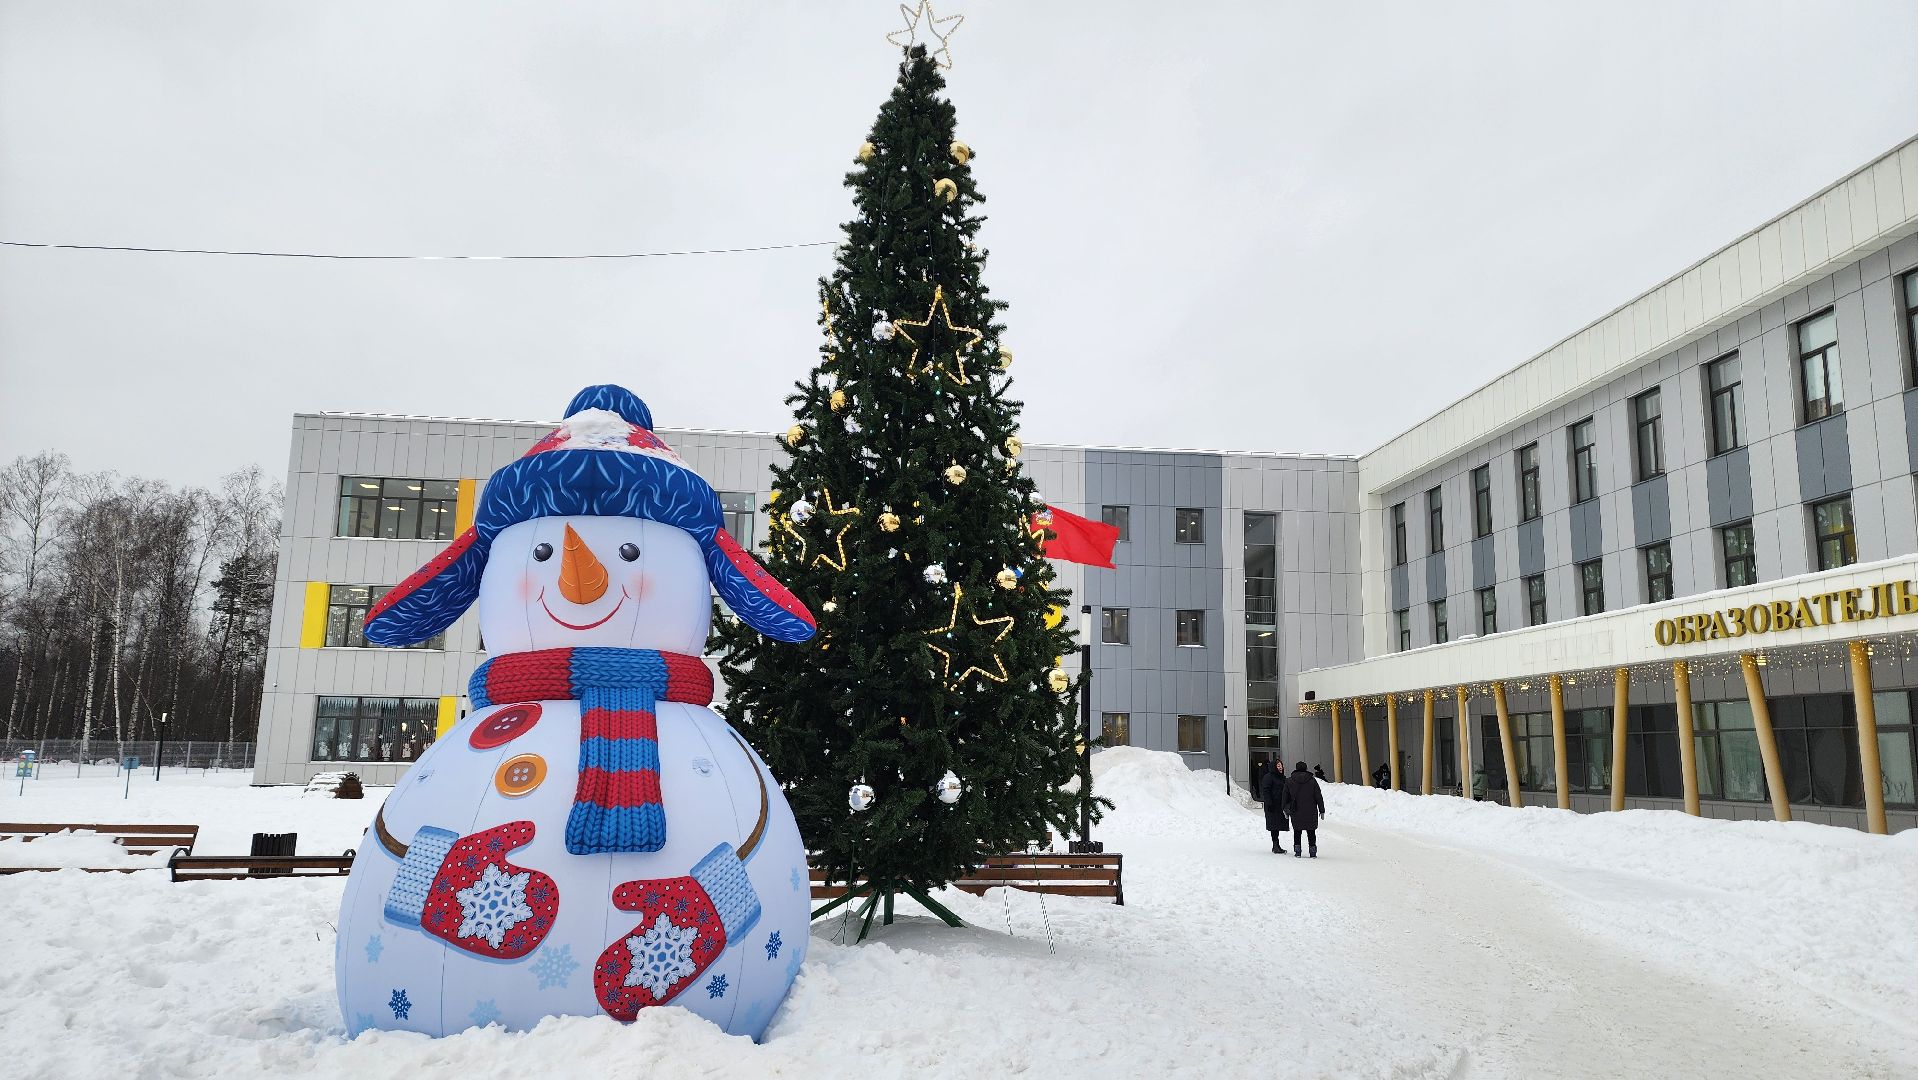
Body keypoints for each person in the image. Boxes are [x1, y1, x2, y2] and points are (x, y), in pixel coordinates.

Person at [1283, 760, 1326, 858]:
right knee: (1311, 831)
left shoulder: (1289, 780)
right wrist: (1322, 810)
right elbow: (1318, 796)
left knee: (1297, 831)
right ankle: (1313, 852)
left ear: (1296, 768)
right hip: (1310, 810)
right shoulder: (1312, 780)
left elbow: (1285, 797)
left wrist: (1285, 809)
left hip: (1295, 810)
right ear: (1306, 768)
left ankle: (1298, 852)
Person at [1259, 763, 1290, 853]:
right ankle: (1275, 845)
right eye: (1278, 766)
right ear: (1274, 767)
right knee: (1274, 826)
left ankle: (1277, 845)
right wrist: (1269, 803)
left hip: (1280, 805)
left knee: (1278, 825)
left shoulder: (1282, 777)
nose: (1280, 767)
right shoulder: (1268, 777)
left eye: (1281, 766)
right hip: (1272, 805)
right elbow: (1266, 791)